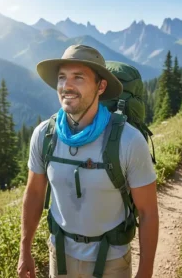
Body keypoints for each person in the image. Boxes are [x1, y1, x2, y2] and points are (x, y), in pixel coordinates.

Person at [17, 44, 159, 278]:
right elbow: (34, 194)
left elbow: (148, 212)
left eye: (78, 77)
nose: (66, 86)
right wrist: (25, 250)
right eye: (62, 77)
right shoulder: (44, 135)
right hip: (59, 255)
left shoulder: (128, 140)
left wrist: (145, 272)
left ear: (101, 86)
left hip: (112, 261)